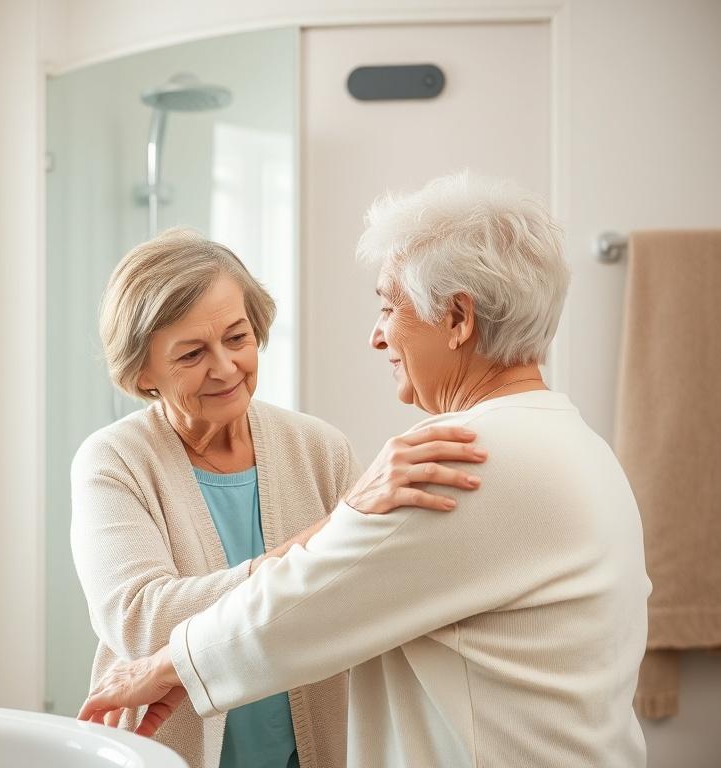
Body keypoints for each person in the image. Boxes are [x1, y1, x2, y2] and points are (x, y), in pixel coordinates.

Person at [78, 172, 652, 768]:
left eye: (387, 306)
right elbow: (169, 611)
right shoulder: (575, 441)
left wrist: (164, 669)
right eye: (193, 353)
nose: (377, 336)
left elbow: (311, 599)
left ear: (457, 317)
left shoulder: (455, 459)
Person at [70, 228, 487, 768]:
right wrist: (344, 522)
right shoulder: (114, 460)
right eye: (192, 353)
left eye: (238, 338)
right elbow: (143, 623)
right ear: (142, 369)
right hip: (172, 752)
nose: (225, 368)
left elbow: (359, 594)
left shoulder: (318, 447)